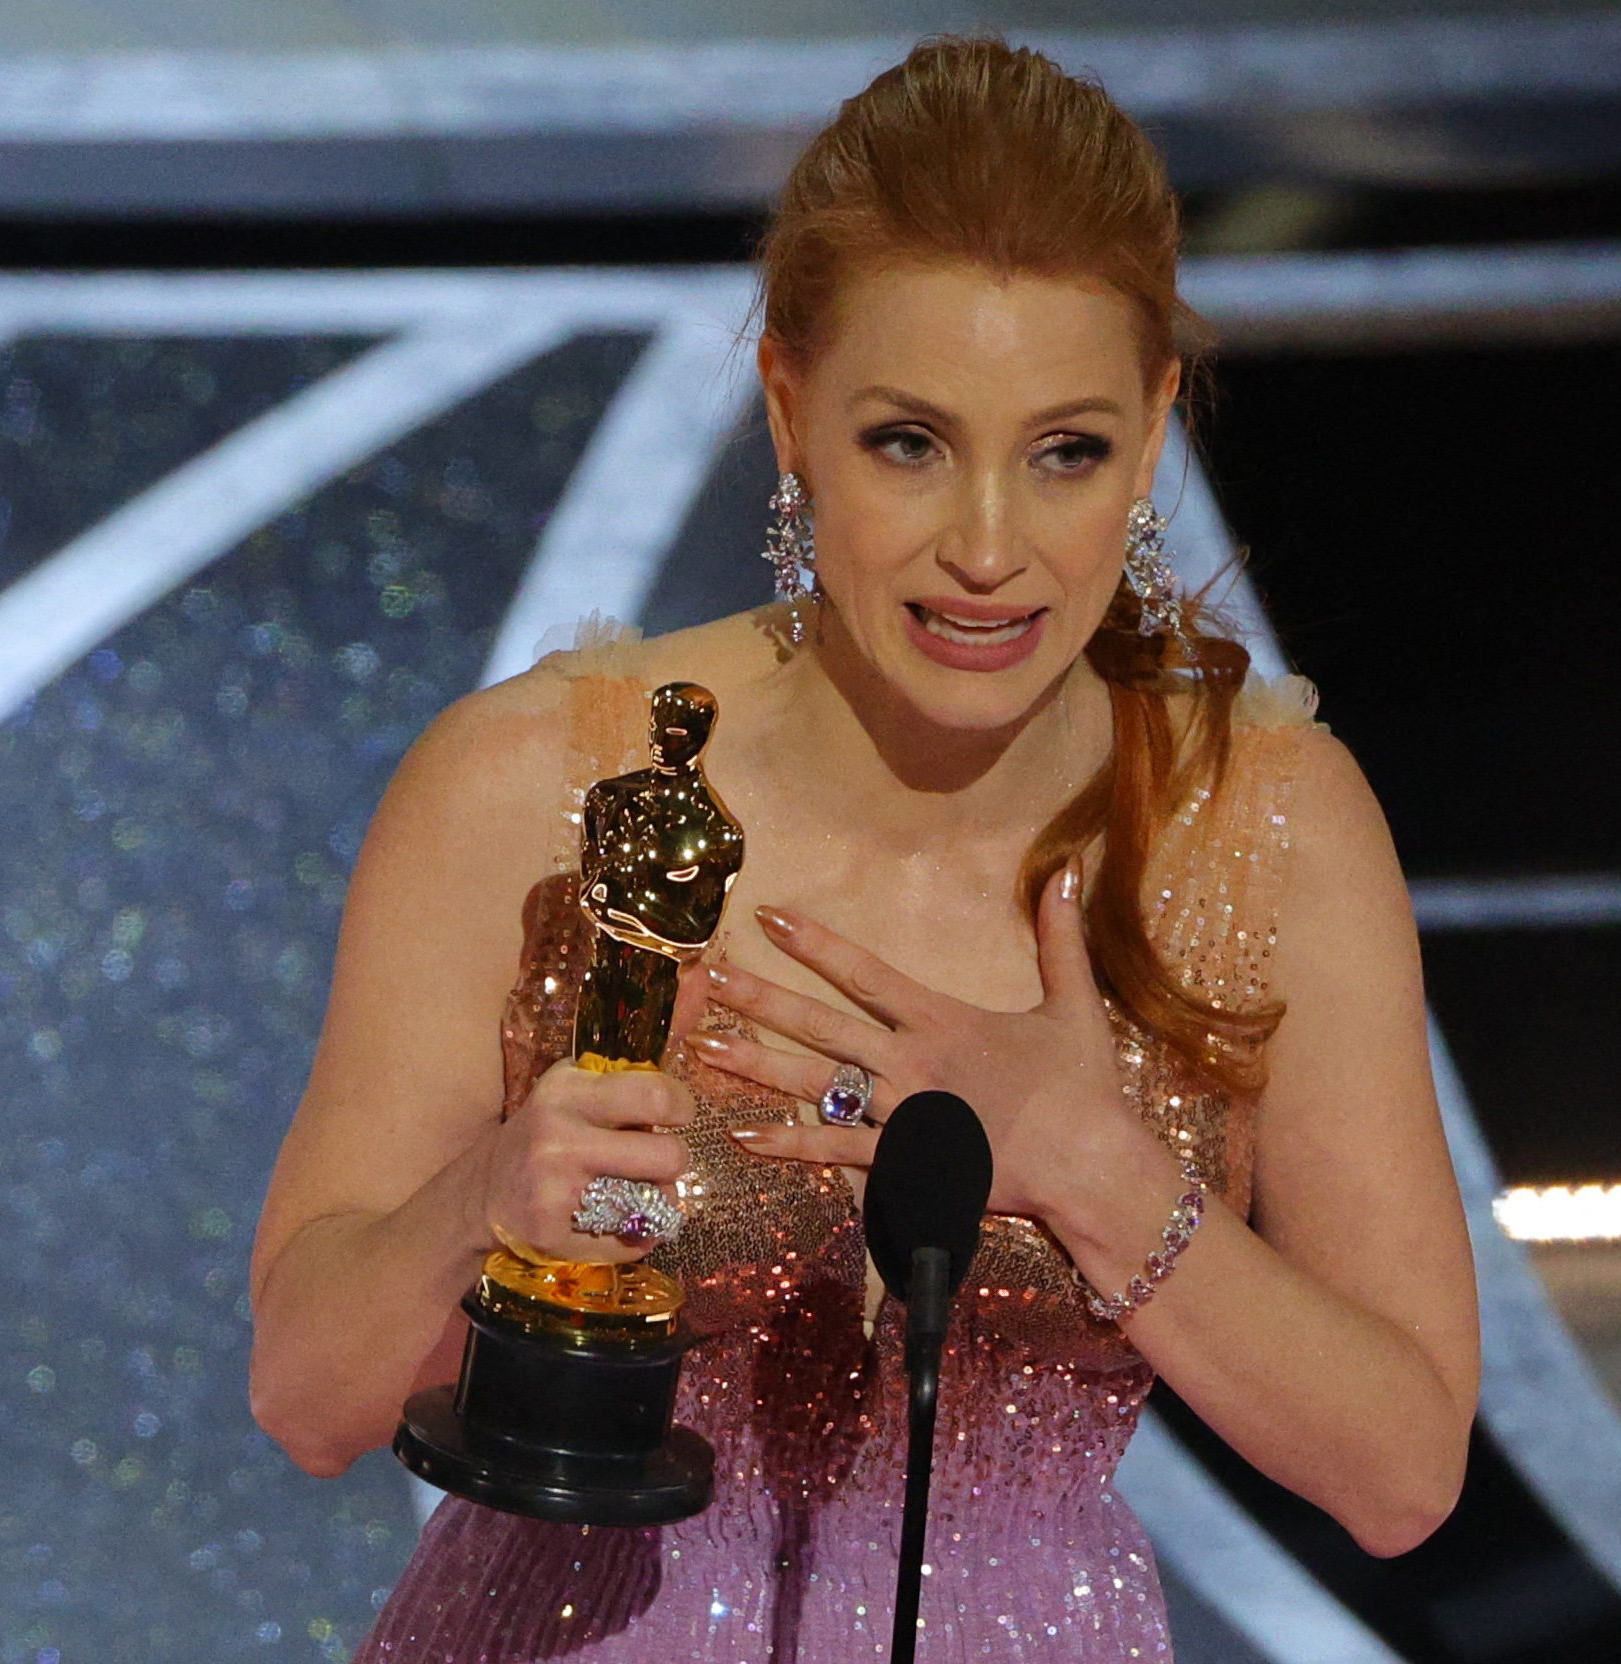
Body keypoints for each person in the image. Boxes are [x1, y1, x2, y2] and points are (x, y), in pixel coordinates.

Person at [250, 36, 1479, 1663]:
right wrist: (482, 1203)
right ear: (789, 409)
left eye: (1066, 451)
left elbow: (1401, 1473)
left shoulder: (1260, 826)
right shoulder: (535, 791)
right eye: (909, 441)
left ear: (1152, 429)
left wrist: (1100, 1180)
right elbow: (308, 1400)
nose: (986, 548)